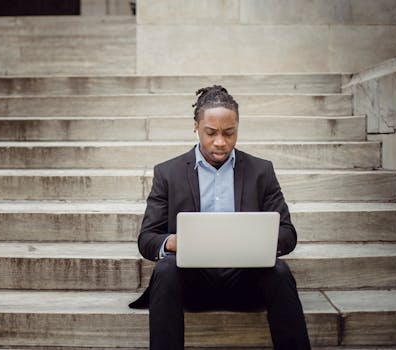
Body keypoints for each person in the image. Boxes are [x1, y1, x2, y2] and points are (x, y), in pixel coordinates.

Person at [129, 85, 311, 350]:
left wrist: (257, 239)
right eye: (211, 133)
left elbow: (288, 234)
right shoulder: (168, 173)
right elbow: (147, 239)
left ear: (238, 127)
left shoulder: (261, 171)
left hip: (247, 284)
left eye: (229, 133)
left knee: (279, 272)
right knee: (165, 270)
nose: (220, 142)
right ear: (196, 126)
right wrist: (175, 243)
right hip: (192, 285)